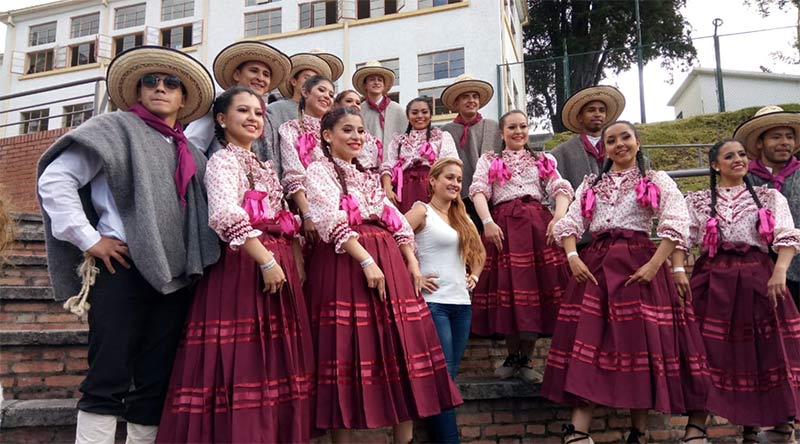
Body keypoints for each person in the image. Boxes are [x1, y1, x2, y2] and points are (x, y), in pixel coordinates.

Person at [36, 46, 220, 444]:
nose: (160, 88)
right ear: (137, 92)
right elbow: (55, 179)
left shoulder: (190, 152)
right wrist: (89, 238)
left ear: (184, 98)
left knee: (156, 376)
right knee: (110, 371)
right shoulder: (114, 128)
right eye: (150, 81)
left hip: (174, 273)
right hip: (121, 264)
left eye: (171, 83)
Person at [155, 86, 314, 443]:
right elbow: (225, 214)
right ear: (222, 119)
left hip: (276, 261)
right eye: (243, 111)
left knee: (272, 360)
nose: (253, 118)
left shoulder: (263, 164)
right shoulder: (222, 161)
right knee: (244, 359)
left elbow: (284, 217)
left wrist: (294, 257)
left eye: (258, 113)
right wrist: (267, 260)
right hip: (244, 266)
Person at [542, 121, 708, 444]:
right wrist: (573, 256)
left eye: (625, 138)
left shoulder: (654, 179)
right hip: (595, 268)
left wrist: (654, 265)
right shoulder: (592, 183)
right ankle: (577, 433)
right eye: (611, 140)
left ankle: (639, 433)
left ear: (638, 141)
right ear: (603, 148)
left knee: (638, 343)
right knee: (587, 341)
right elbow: (572, 221)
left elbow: (675, 220)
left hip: (638, 265)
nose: (619, 144)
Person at [304, 107, 463, 444]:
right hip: (343, 263)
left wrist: (412, 264)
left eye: (361, 131)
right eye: (347, 130)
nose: (356, 137)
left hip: (388, 261)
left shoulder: (368, 174)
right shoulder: (318, 171)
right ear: (328, 135)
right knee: (343, 352)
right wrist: (365, 261)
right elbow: (330, 220)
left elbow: (396, 220)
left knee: (398, 351)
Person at [674, 138, 800, 444]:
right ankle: (696, 426)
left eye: (742, 154)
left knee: (765, 352)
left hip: (759, 279)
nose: (738, 160)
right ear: (715, 165)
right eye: (729, 156)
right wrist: (678, 270)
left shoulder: (770, 198)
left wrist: (780, 271)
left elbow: (786, 236)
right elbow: (680, 237)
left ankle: (773, 424)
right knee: (707, 352)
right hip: (713, 280)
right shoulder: (698, 200)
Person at [468, 110, 573, 382]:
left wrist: (559, 218)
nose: (518, 131)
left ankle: (526, 358)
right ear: (501, 133)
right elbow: (479, 191)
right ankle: (512, 355)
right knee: (510, 291)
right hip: (502, 228)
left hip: (538, 227)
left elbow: (560, 188)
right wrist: (487, 222)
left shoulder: (542, 159)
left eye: (523, 126)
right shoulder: (489, 159)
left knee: (534, 293)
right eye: (512, 127)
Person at [405, 157, 486, 444]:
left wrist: (474, 275)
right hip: (433, 303)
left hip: (462, 305)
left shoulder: (462, 217)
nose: (454, 184)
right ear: (433, 181)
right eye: (449, 178)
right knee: (443, 380)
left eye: (458, 180)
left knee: (447, 378)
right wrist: (414, 273)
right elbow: (395, 238)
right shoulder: (421, 211)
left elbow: (480, 252)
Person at [184, 41, 291, 174]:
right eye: (253, 71)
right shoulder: (217, 107)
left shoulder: (270, 118)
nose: (260, 78)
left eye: (266, 74)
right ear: (237, 75)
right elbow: (191, 147)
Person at [738, 106, 800, 306]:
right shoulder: (743, 179)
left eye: (789, 137)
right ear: (759, 143)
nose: (784, 143)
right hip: (759, 269)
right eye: (776, 137)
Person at [440, 74, 501, 231]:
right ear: (456, 102)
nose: (471, 100)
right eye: (465, 97)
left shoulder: (493, 127)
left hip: (491, 197)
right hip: (460, 197)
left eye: (475, 96)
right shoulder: (446, 131)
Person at [279, 75, 335, 243]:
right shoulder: (291, 128)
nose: (327, 96)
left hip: (338, 205)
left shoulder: (336, 131)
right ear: (305, 91)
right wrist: (307, 213)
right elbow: (293, 172)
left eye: (331, 95)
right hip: (308, 204)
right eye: (322, 90)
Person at [380, 97, 459, 213]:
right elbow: (388, 166)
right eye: (414, 112)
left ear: (431, 115)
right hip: (404, 191)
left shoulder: (441, 137)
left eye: (424, 112)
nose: (420, 116)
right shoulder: (398, 142)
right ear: (408, 116)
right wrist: (387, 189)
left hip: (433, 189)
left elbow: (451, 165)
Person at [550, 85, 625, 190]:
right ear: (580, 117)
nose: (597, 114)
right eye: (591, 110)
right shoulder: (562, 153)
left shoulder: (620, 147)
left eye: (602, 110)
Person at [268, 50, 341, 130]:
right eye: (307, 78)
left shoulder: (326, 117)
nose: (311, 83)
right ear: (293, 81)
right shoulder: (275, 109)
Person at [352, 61, 408, 148]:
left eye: (380, 80)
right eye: (372, 79)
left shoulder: (397, 110)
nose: (376, 82)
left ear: (384, 85)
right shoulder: (359, 111)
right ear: (365, 85)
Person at [334, 89, 383, 172]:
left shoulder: (368, 136)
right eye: (349, 101)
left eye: (358, 103)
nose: (354, 105)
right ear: (336, 105)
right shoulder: (333, 131)